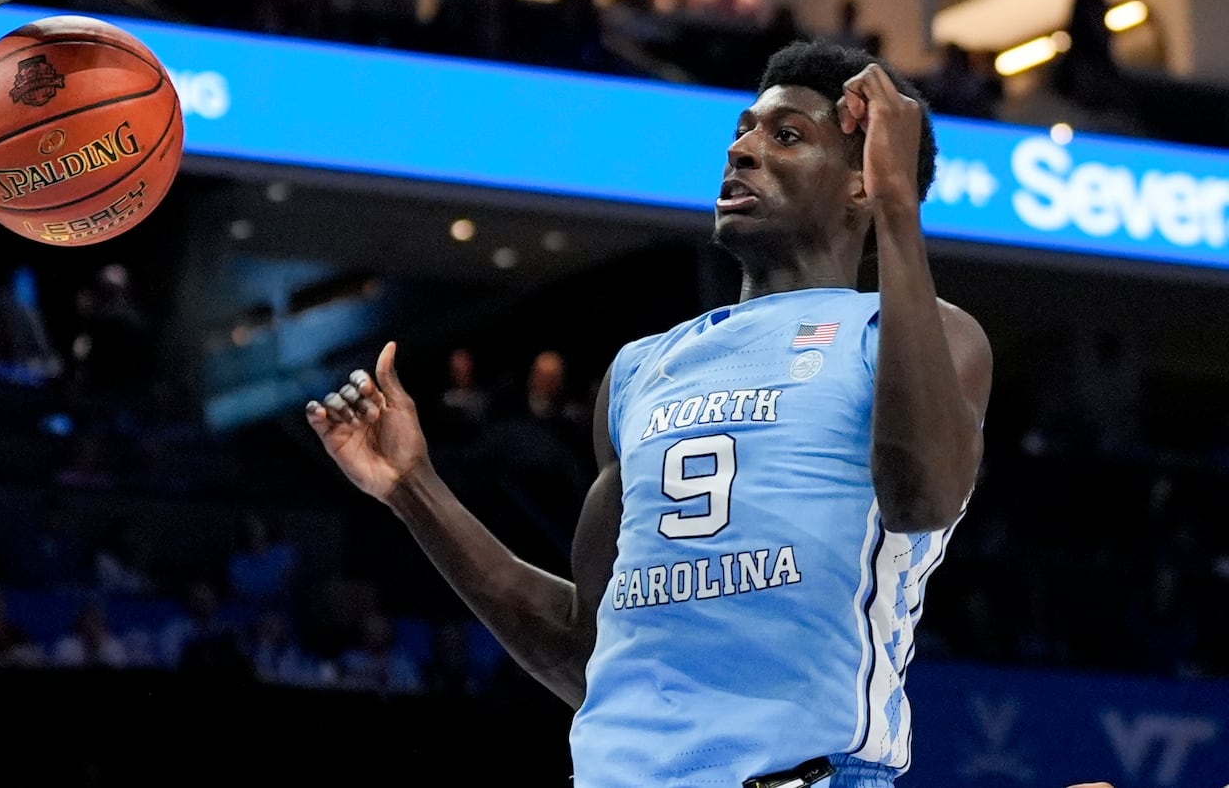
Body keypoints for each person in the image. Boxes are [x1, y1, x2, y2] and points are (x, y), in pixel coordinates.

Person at [304, 39, 992, 787]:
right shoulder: (640, 370)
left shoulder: (913, 333)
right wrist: (413, 487)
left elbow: (922, 498)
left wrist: (900, 204)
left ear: (861, 182)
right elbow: (585, 653)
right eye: (743, 131)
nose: (744, 151)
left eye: (785, 135)